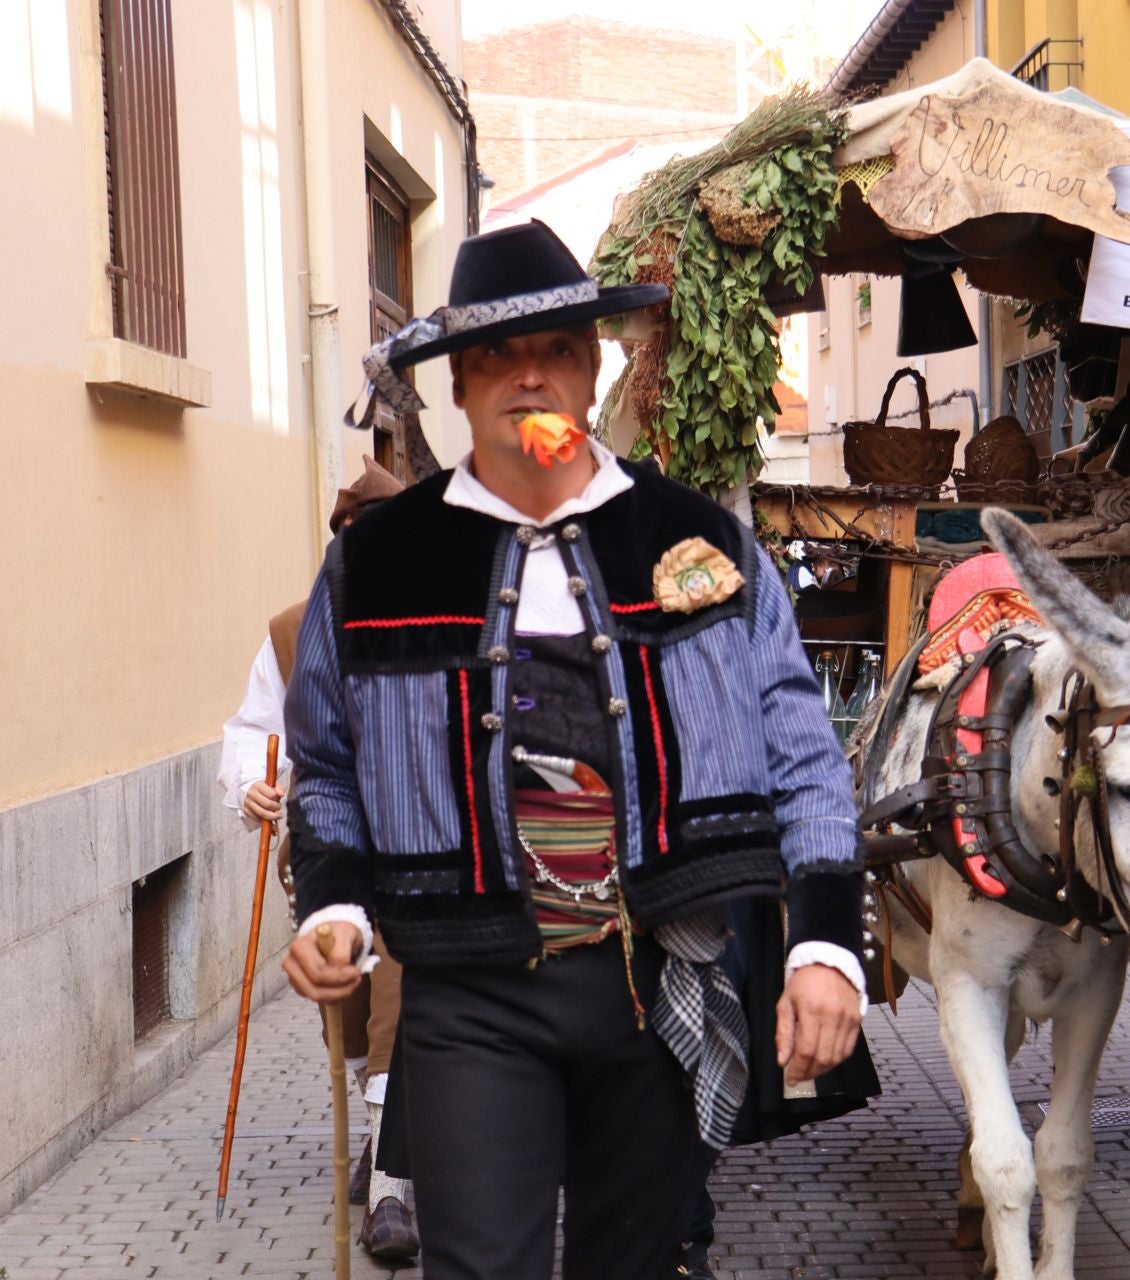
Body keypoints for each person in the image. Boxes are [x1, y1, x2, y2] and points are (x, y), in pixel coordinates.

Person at [278, 220, 867, 1280]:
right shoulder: (376, 565)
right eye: (497, 356)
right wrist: (334, 905)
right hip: (469, 994)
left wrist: (826, 946)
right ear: (458, 384)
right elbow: (325, 765)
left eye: (554, 346)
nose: (529, 375)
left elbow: (803, 749)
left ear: (593, 367)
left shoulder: (707, 542)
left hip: (661, 973)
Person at [216, 456, 419, 1260]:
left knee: (397, 986)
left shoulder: (437, 618)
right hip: (328, 852)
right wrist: (249, 789)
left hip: (413, 850)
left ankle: (391, 1188)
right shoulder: (294, 630)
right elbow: (251, 731)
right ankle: (382, 1130)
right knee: (349, 1006)